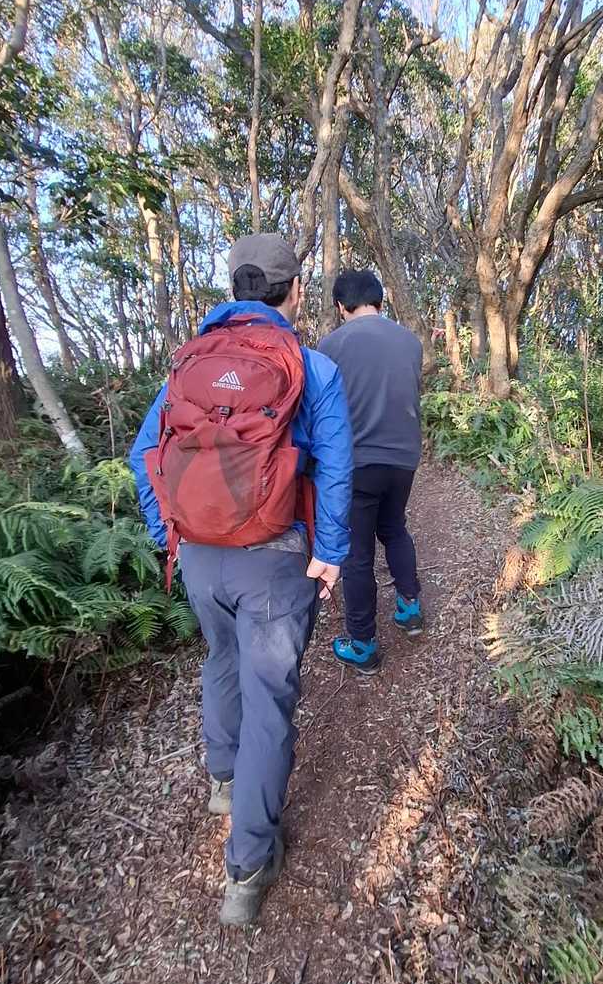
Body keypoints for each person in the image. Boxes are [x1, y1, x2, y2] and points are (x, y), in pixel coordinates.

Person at [129, 234, 352, 926]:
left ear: (234, 288)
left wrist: (169, 532)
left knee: (221, 658)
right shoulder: (311, 368)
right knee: (269, 700)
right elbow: (336, 467)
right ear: (294, 291)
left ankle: (223, 781)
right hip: (274, 559)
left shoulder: (188, 364)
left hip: (199, 555)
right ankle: (249, 866)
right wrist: (331, 551)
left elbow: (144, 454)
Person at [318, 268, 424, 674]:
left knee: (357, 552)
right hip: (404, 458)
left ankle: (362, 644)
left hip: (356, 463)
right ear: (380, 300)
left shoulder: (331, 345)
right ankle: (410, 607)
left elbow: (323, 412)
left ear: (340, 306)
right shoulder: (410, 342)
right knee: (394, 527)